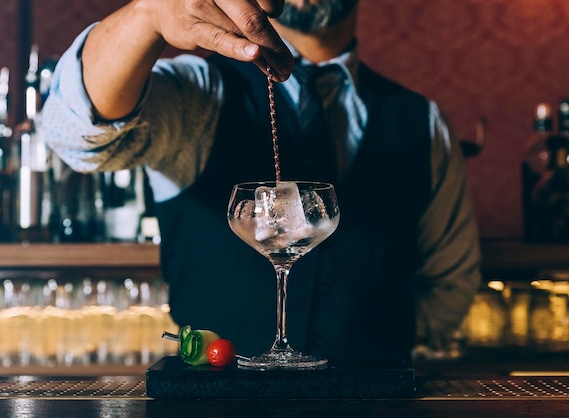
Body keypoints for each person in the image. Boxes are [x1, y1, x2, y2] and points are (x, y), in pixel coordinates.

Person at [42, 0, 481, 367]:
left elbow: (450, 286)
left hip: (374, 405)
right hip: (215, 408)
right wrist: (145, 15)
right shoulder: (201, 91)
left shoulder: (423, 121)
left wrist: (368, 346)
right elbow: (75, 135)